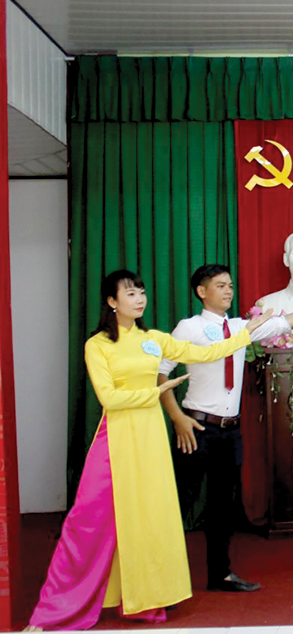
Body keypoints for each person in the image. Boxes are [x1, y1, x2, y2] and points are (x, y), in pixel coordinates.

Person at [26, 270, 274, 631]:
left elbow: (209, 352)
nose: (139, 298)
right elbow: (109, 398)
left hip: (151, 437)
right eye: (130, 293)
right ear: (111, 302)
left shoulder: (154, 339)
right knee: (87, 521)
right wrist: (156, 393)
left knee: (150, 519)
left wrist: (248, 332)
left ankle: (146, 597)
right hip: (116, 437)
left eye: (141, 292)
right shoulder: (98, 345)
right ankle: (55, 609)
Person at [157, 263, 293, 593]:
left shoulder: (241, 327)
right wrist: (177, 418)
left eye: (230, 285)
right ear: (202, 292)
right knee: (179, 502)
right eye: (220, 285)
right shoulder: (188, 327)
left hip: (230, 431)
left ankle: (220, 575)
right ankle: (158, 580)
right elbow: (162, 373)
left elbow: (286, 322)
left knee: (222, 507)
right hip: (196, 426)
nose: (228, 290)